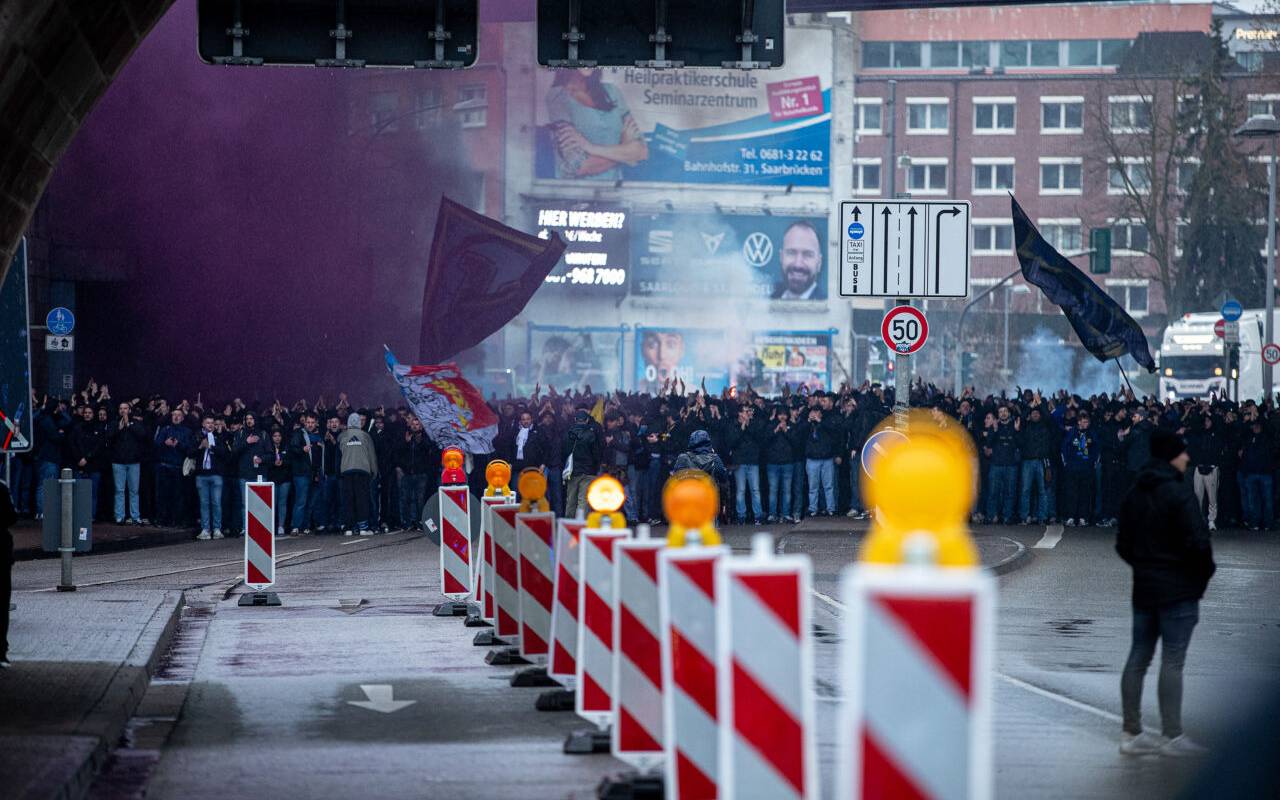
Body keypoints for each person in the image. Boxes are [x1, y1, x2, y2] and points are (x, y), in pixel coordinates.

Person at [1116, 428, 1215, 757]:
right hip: (1178, 591)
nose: (1187, 457)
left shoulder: (1135, 491)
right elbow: (1199, 543)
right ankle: (1172, 735)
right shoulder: (1179, 493)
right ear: (1172, 456)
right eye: (1182, 452)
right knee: (1173, 661)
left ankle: (1131, 732)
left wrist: (1143, 566)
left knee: (1138, 658)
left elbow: (1123, 544)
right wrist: (1199, 581)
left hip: (1144, 588)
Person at [546, 68, 648, 181]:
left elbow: (641, 152)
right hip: (576, 189)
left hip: (615, 189)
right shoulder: (557, 96)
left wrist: (591, 148)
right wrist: (624, 149)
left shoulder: (612, 92)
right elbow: (579, 166)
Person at [337, 412, 378, 536]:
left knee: (348, 500)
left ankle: (349, 528)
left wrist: (339, 472)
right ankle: (363, 528)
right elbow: (372, 456)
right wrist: (374, 471)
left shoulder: (342, 436)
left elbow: (338, 456)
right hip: (362, 472)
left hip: (346, 472)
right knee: (362, 500)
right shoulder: (365, 436)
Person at [108, 402, 148, 525]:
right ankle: (119, 516)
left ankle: (135, 516)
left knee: (134, 490)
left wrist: (128, 424)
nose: (123, 410)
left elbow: (142, 435)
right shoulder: (114, 423)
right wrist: (119, 429)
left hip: (133, 461)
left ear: (129, 410)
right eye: (121, 408)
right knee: (119, 490)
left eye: (125, 408)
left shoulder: (136, 423)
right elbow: (108, 436)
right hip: (118, 461)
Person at [192, 414, 229, 539]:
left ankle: (217, 529)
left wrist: (211, 446)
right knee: (204, 503)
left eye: (212, 423)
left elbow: (225, 453)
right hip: (201, 475)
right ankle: (205, 529)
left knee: (216, 503)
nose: (210, 425)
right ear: (203, 424)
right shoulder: (197, 436)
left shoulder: (219, 437)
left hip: (216, 474)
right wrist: (200, 447)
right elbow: (189, 452)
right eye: (208, 423)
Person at [562, 405, 603, 518]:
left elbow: (563, 452)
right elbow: (596, 454)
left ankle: (568, 522)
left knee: (570, 498)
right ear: (587, 420)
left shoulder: (567, 434)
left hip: (572, 471)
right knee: (583, 499)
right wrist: (595, 468)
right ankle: (580, 522)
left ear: (575, 419)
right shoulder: (591, 434)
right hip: (588, 471)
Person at [770, 220, 826, 301]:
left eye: (807, 255)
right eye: (791, 253)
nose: (798, 264)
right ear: (781, 257)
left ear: (819, 263)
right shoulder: (767, 299)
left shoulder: (827, 303)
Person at [1060, 413, 1098, 526]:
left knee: (1085, 493)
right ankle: (1071, 516)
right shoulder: (1072, 433)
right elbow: (1064, 447)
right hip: (1073, 468)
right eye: (1084, 422)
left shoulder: (1091, 433)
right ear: (1079, 422)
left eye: (1087, 422)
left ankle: (1083, 517)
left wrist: (1093, 462)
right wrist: (1066, 462)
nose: (1086, 424)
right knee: (1071, 493)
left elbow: (1096, 448)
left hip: (1086, 468)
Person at [673, 429, 729, 496]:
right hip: (709, 497)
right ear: (708, 442)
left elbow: (675, 479)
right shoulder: (715, 458)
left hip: (688, 497)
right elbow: (723, 478)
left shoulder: (683, 458)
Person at [265, 427, 292, 536]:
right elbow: (265, 461)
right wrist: (273, 463)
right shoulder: (268, 448)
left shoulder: (286, 447)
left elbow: (291, 461)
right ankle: (271, 525)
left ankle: (281, 526)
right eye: (275, 436)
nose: (277, 438)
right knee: (272, 503)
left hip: (285, 479)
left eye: (279, 436)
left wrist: (283, 462)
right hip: (272, 479)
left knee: (282, 503)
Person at [0, 476, 15, 668]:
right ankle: (1, 652)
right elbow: (11, 517)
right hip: (1, 552)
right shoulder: (1, 487)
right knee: (2, 605)